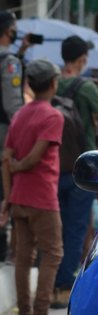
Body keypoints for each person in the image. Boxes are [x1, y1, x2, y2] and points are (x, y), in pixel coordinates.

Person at [51, 35, 98, 309]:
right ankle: (64, 286)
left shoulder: (54, 83)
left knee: (60, 227)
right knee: (78, 228)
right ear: (82, 60)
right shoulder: (86, 88)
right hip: (83, 168)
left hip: (56, 165)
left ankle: (56, 281)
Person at [0, 59, 65, 315]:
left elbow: (6, 158)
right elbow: (34, 157)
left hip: (19, 196)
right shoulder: (53, 116)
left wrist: (7, 195)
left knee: (23, 257)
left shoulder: (19, 115)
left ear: (29, 85)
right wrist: (20, 165)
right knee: (53, 253)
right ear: (53, 83)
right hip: (41, 195)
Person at [0, 10, 33, 263]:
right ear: (9, 31)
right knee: (4, 192)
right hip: (3, 135)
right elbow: (13, 107)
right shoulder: (9, 62)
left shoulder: (12, 59)